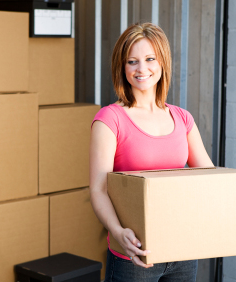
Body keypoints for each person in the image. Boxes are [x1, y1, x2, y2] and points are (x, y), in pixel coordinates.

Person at [89, 22, 214, 282]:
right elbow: (98, 189)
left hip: (182, 252)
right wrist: (117, 231)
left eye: (149, 59)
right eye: (132, 61)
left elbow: (209, 180)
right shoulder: (110, 120)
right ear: (122, 68)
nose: (141, 69)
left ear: (162, 62)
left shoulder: (182, 118)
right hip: (133, 255)